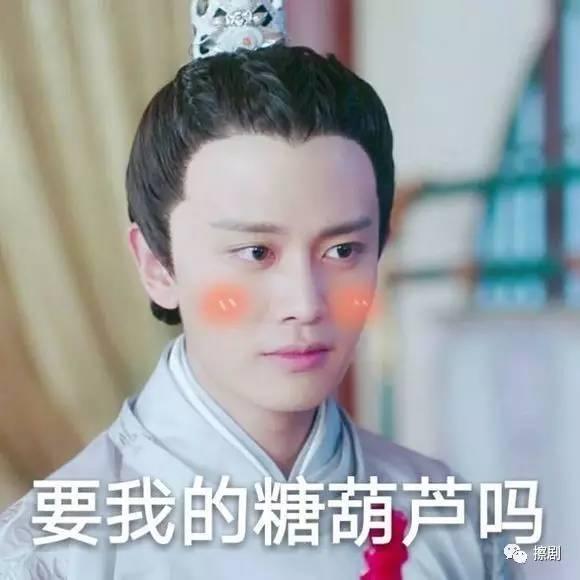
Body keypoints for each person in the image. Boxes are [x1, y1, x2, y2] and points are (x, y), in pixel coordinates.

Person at [0, 1, 521, 578]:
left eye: (342, 251)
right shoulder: (50, 555)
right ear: (157, 265)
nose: (305, 303)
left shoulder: (456, 527)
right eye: (256, 253)